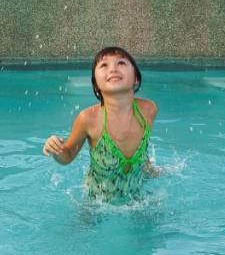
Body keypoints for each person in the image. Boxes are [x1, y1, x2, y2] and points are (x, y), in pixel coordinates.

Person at [42, 46, 159, 202]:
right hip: (97, 202)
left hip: (136, 197)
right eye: (104, 65)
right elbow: (68, 155)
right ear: (96, 84)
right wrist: (56, 150)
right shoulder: (88, 119)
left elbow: (142, 151)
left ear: (136, 78)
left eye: (121, 63)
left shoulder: (148, 110)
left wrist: (151, 170)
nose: (113, 69)